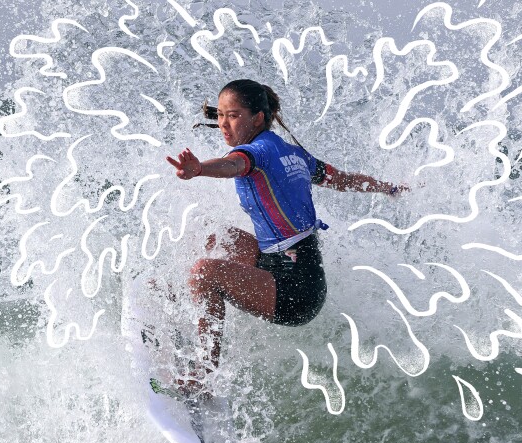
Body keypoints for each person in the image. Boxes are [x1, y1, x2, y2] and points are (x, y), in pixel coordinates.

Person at [166, 79, 404, 398]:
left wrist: (199, 170)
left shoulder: (255, 153)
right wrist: (388, 188)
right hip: (280, 263)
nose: (223, 123)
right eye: (220, 114)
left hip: (296, 292)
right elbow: (344, 179)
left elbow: (234, 165)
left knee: (205, 273)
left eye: (233, 115)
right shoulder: (294, 154)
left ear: (258, 118)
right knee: (212, 233)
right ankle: (181, 299)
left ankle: (204, 377)